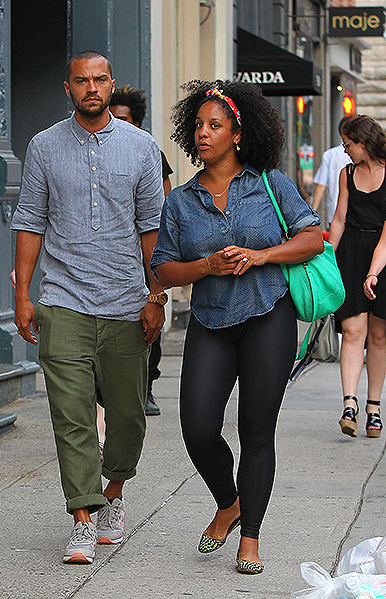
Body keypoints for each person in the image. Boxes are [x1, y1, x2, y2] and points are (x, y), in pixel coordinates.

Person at [151, 80, 322, 574]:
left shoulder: (269, 183)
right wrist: (207, 267)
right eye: (198, 126)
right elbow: (162, 268)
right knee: (198, 426)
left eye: (214, 126)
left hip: (270, 314)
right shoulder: (181, 201)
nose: (203, 134)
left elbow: (312, 237)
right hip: (211, 320)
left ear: (238, 134)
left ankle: (250, 540)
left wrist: (263, 255)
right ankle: (229, 502)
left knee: (256, 429)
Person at [11, 51, 165, 565]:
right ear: (68, 87)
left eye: (100, 80)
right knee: (71, 416)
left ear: (112, 84)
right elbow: (31, 220)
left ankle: (113, 497)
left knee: (127, 416)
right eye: (82, 81)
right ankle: (82, 517)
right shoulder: (44, 147)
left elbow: (152, 232)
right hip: (63, 300)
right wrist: (23, 294)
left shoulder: (142, 148)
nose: (92, 88)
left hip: (125, 301)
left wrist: (155, 295)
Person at [109, 84, 173, 416]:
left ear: (136, 122)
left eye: (123, 118)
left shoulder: (149, 154)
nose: (116, 123)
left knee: (150, 318)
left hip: (145, 252)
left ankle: (146, 387)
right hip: (110, 254)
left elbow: (165, 207)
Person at [329, 114, 386, 440]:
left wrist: (373, 272)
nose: (345, 149)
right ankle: (349, 404)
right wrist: (326, 260)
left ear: (363, 143)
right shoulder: (346, 173)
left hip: (382, 254)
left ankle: (373, 407)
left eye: (348, 144)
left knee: (378, 336)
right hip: (350, 251)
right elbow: (338, 219)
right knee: (352, 330)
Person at [312, 116, 353, 228]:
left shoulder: (331, 154)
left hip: (335, 214)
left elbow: (321, 185)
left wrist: (313, 211)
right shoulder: (364, 156)